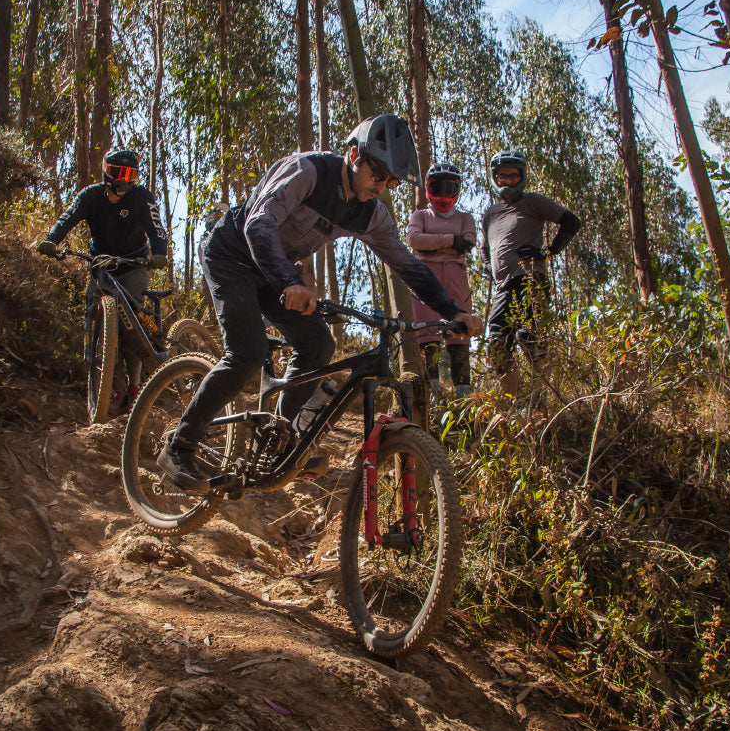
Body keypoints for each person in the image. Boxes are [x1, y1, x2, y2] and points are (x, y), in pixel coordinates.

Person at [158, 114, 484, 492]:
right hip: (231, 255)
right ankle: (179, 446)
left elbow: (407, 265)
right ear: (352, 155)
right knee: (247, 352)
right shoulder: (308, 171)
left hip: (273, 273)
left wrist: (453, 311)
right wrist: (291, 282)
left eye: (390, 181)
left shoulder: (371, 212)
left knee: (319, 345)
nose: (381, 186)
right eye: (377, 173)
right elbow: (258, 224)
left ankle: (277, 442)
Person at [34, 149, 171, 414]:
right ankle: (115, 389)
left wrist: (159, 254)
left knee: (131, 321)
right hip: (101, 266)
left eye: (131, 174)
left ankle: (136, 385)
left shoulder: (141, 197)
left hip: (134, 265)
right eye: (120, 173)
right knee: (104, 324)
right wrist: (52, 239)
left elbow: (156, 228)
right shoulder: (90, 196)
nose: (126, 180)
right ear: (107, 172)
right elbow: (68, 217)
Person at [479, 149, 580, 395]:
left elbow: (571, 222)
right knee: (497, 346)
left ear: (521, 177)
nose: (506, 181)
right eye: (501, 177)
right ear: (494, 178)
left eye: (512, 176)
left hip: (530, 279)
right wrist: (493, 270)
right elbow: (484, 251)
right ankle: (514, 403)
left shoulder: (533, 201)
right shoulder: (490, 213)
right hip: (504, 288)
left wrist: (549, 250)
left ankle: (541, 400)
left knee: (532, 339)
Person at [405, 161, 475, 399]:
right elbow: (414, 239)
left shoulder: (465, 217)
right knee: (428, 336)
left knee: (460, 333)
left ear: (457, 190)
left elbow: (467, 242)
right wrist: (449, 241)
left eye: (450, 188)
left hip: (456, 279)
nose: (444, 194)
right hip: (425, 280)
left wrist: (432, 245)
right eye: (438, 187)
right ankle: (432, 396)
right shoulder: (420, 215)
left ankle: (463, 398)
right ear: (428, 188)